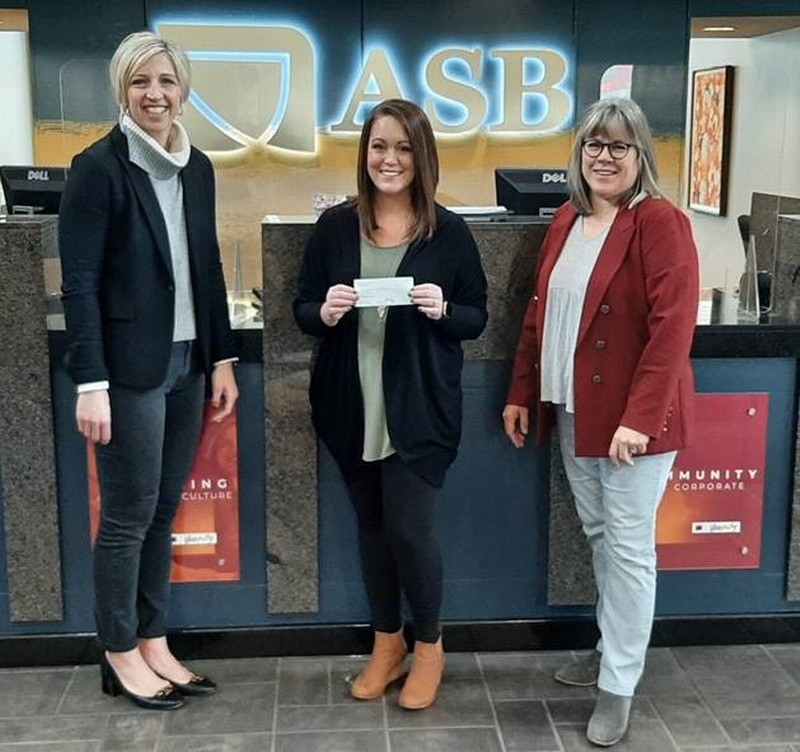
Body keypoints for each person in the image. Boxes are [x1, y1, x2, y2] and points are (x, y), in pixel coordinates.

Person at [503, 98, 698, 746]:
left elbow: (673, 330)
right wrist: (522, 392)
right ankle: (615, 645)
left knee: (631, 550)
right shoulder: (568, 218)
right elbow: (539, 315)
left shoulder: (659, 222)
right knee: (600, 538)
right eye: (594, 145)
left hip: (633, 428)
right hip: (576, 411)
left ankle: (618, 683)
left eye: (618, 146)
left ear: (641, 155)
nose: (604, 157)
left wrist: (639, 419)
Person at [59, 31, 238, 710]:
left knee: (163, 511)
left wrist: (220, 356)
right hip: (129, 372)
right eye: (140, 83)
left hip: (190, 365)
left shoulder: (199, 167)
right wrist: (92, 381)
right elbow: (79, 284)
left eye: (165, 81)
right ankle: (118, 650)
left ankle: (153, 638)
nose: (154, 94)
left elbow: (209, 264)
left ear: (183, 91)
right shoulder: (97, 168)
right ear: (123, 91)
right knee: (129, 518)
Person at [294, 98, 488, 710]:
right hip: (351, 407)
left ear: (422, 156)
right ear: (365, 153)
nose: (390, 159)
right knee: (373, 531)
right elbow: (302, 308)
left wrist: (444, 311)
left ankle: (429, 647)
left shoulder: (449, 233)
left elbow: (476, 316)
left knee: (409, 528)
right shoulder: (334, 228)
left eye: (404, 147)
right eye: (380, 146)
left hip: (419, 409)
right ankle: (387, 645)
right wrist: (322, 312)